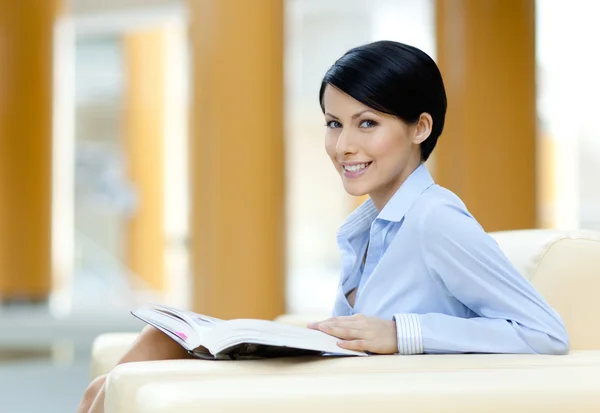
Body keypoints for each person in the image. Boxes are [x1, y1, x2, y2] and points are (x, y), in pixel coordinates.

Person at [76, 40, 569, 413]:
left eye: (367, 123)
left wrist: (401, 333)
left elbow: (545, 334)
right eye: (334, 124)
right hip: (342, 381)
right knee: (161, 341)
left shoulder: (434, 219)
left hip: (365, 395)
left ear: (420, 127)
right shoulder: (369, 225)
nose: (343, 146)